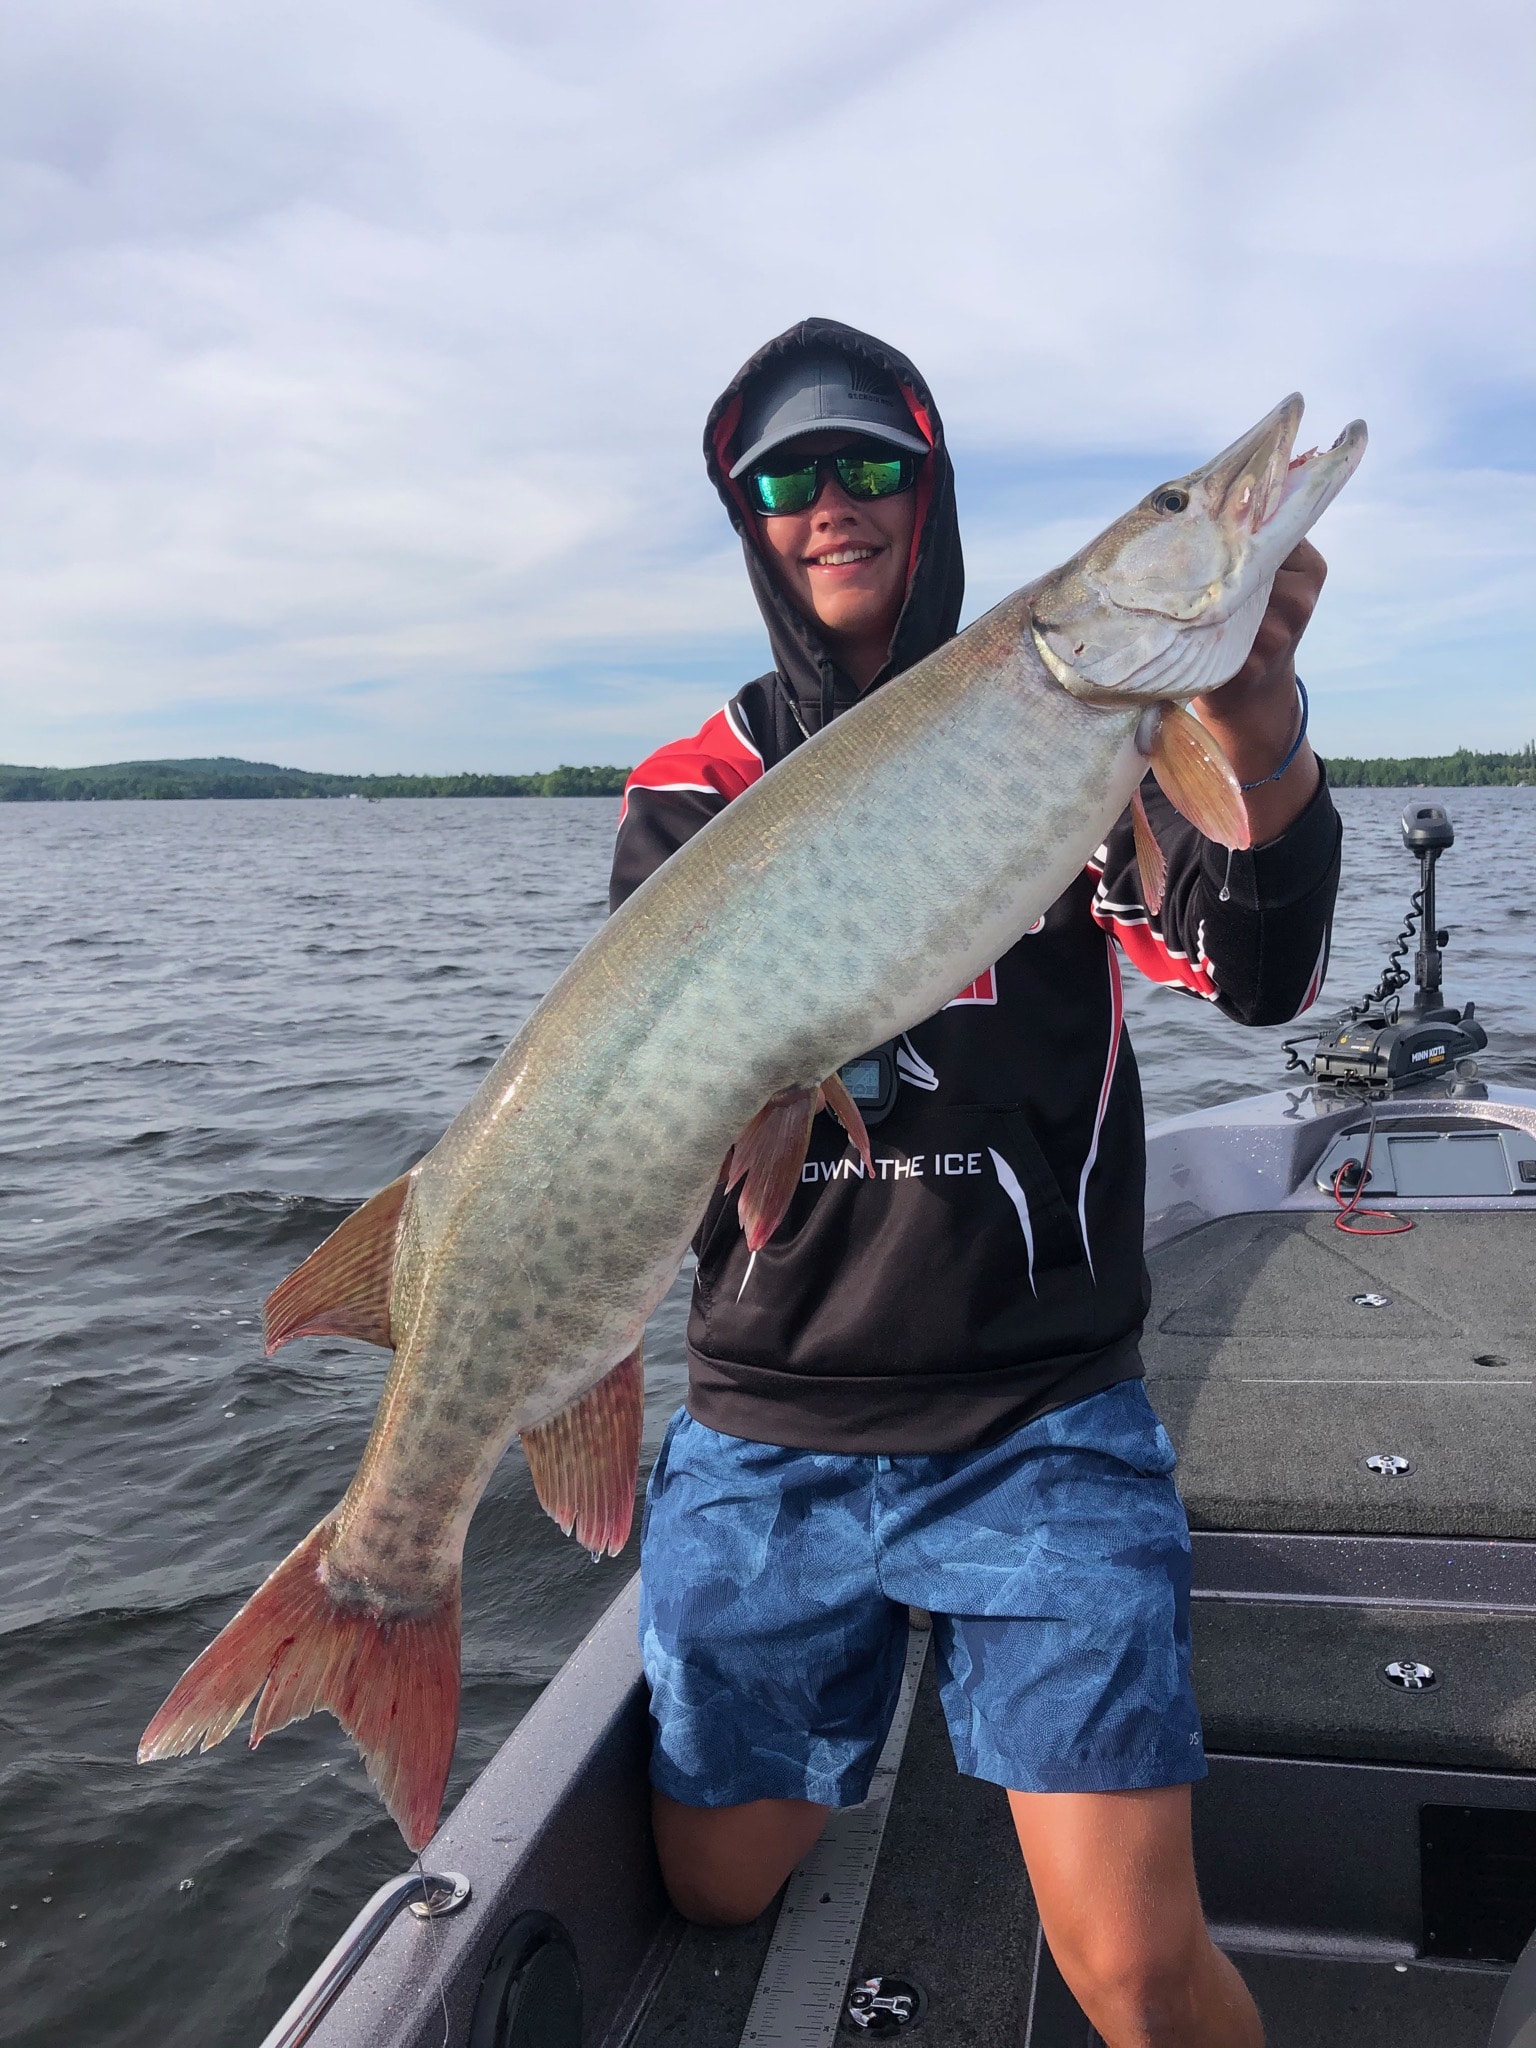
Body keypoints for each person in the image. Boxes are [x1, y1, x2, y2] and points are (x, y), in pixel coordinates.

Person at [609, 318, 1340, 2048]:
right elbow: (658, 1125)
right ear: (750, 523)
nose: (832, 503)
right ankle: (886, 1678)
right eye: (788, 480)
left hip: (1035, 1417)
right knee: (714, 1885)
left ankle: (989, 1670)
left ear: (929, 494)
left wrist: (1258, 719)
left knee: (1136, 1974)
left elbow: (1259, 976)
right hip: (776, 1424)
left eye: (873, 464)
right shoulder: (689, 790)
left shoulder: (1095, 725)